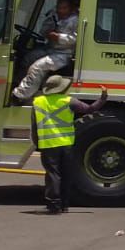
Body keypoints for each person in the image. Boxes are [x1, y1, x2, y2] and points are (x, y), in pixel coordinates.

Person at [29, 75, 107, 213]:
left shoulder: (38, 102)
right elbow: (89, 109)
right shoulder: (69, 101)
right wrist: (103, 97)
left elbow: (34, 126)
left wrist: (36, 143)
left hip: (48, 144)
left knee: (53, 174)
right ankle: (65, 204)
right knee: (66, 173)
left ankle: (53, 204)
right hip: (66, 144)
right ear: (63, 88)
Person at [12, 0, 79, 100]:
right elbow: (43, 31)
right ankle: (17, 83)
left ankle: (20, 95)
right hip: (50, 49)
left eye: (64, 8)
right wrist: (48, 30)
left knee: (38, 67)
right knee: (28, 58)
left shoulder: (75, 20)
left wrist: (58, 37)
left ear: (71, 8)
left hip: (64, 54)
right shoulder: (54, 16)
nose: (60, 10)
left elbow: (76, 39)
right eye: (59, 7)